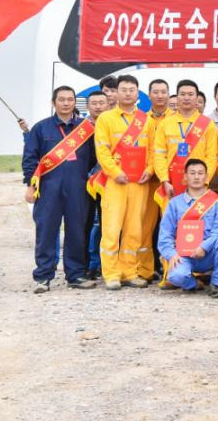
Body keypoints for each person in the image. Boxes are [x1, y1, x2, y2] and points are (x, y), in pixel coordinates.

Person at [22, 86, 97, 292]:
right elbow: (30, 159)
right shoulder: (41, 128)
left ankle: (76, 275)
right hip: (48, 188)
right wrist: (30, 185)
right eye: (61, 99)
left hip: (78, 188)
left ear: (75, 102)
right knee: (46, 231)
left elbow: (94, 158)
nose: (66, 103)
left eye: (70, 99)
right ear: (53, 102)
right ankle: (43, 276)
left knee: (77, 231)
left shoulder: (86, 129)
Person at [92, 74, 151, 290]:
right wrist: (115, 172)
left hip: (139, 183)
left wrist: (150, 170)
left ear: (137, 93)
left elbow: (154, 150)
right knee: (111, 228)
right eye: (123, 89)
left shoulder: (146, 120)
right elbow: (102, 149)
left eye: (131, 90)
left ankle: (129, 271)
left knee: (134, 229)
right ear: (116, 93)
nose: (127, 93)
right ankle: (111, 274)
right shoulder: (106, 119)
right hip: (115, 182)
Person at [156, 159, 218, 297]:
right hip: (184, 256)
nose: (196, 177)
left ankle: (216, 284)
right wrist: (172, 254)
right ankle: (193, 284)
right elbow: (165, 235)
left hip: (208, 253)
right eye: (192, 173)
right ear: (185, 177)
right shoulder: (174, 204)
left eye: (200, 173)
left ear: (206, 177)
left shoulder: (216, 201)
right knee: (176, 277)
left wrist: (204, 247)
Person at [152, 80, 218, 210]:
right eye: (182, 94)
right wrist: (165, 181)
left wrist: (204, 182)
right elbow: (159, 156)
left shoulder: (207, 124)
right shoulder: (165, 123)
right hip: (171, 186)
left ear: (197, 98)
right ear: (177, 97)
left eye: (190, 94)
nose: (186, 98)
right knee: (171, 221)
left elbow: (211, 157)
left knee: (195, 222)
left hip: (199, 186)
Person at [139, 78, 172, 281]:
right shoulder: (140, 120)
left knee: (169, 226)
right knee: (144, 227)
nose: (160, 96)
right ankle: (144, 269)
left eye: (163, 92)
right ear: (149, 95)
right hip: (147, 182)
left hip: (170, 183)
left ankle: (170, 270)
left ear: (169, 94)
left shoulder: (177, 120)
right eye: (156, 92)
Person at [83, 90, 109, 279]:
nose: (98, 107)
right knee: (86, 224)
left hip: (107, 182)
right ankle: (87, 265)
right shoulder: (80, 128)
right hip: (84, 184)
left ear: (108, 104)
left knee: (105, 224)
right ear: (88, 106)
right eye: (94, 103)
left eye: (102, 103)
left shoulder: (111, 124)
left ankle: (102, 264)